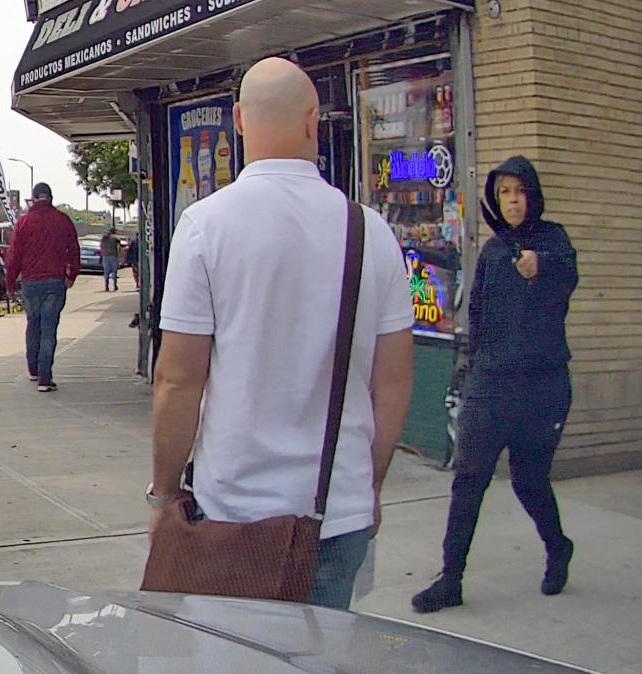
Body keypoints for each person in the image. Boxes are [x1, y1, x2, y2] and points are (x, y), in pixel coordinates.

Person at [146, 57, 414, 610]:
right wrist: (369, 487)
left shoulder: (205, 226)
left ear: (238, 120)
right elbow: (392, 384)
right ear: (314, 118)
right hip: (334, 512)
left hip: (232, 514)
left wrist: (165, 492)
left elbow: (177, 382)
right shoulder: (371, 231)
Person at [411, 155, 579, 613]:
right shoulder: (490, 251)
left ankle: (557, 546)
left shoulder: (553, 241)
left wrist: (539, 267)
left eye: (520, 191)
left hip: (542, 387)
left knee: (529, 480)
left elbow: (568, 277)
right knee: (468, 479)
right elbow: (479, 317)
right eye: (504, 192)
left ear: (533, 196)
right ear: (495, 199)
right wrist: (468, 373)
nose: (513, 201)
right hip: (491, 383)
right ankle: (451, 579)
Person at [5, 183, 81, 393]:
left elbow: (14, 256)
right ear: (51, 197)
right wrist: (72, 274)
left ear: (33, 198)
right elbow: (74, 249)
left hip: (30, 283)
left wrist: (11, 283)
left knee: (33, 324)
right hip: (55, 283)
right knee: (49, 328)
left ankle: (33, 369)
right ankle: (45, 378)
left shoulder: (24, 222)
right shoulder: (62, 220)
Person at [100, 228, 120, 292]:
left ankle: (106, 286)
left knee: (106, 272)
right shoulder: (115, 238)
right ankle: (115, 285)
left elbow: (101, 246)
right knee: (114, 271)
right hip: (113, 255)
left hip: (105, 256)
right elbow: (119, 246)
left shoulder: (103, 238)